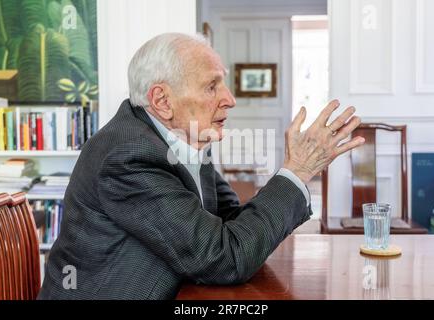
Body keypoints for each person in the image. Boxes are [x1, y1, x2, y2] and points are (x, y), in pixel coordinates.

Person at [38, 33, 364, 300]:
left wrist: (292, 176)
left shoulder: (184, 140)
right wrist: (297, 172)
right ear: (162, 101)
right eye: (212, 87)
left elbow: (229, 228)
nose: (229, 99)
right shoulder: (128, 157)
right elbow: (224, 259)